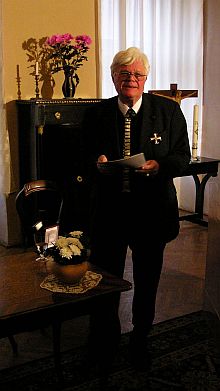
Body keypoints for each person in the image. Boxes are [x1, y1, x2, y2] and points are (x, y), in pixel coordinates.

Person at [84, 47, 191, 373]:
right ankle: (104, 340)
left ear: (146, 78)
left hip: (151, 213)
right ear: (114, 76)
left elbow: (182, 157)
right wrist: (96, 163)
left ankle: (140, 339)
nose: (131, 79)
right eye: (124, 73)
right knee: (104, 280)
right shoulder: (96, 113)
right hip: (109, 213)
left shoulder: (168, 112)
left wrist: (160, 164)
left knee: (147, 281)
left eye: (138, 75)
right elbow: (81, 154)